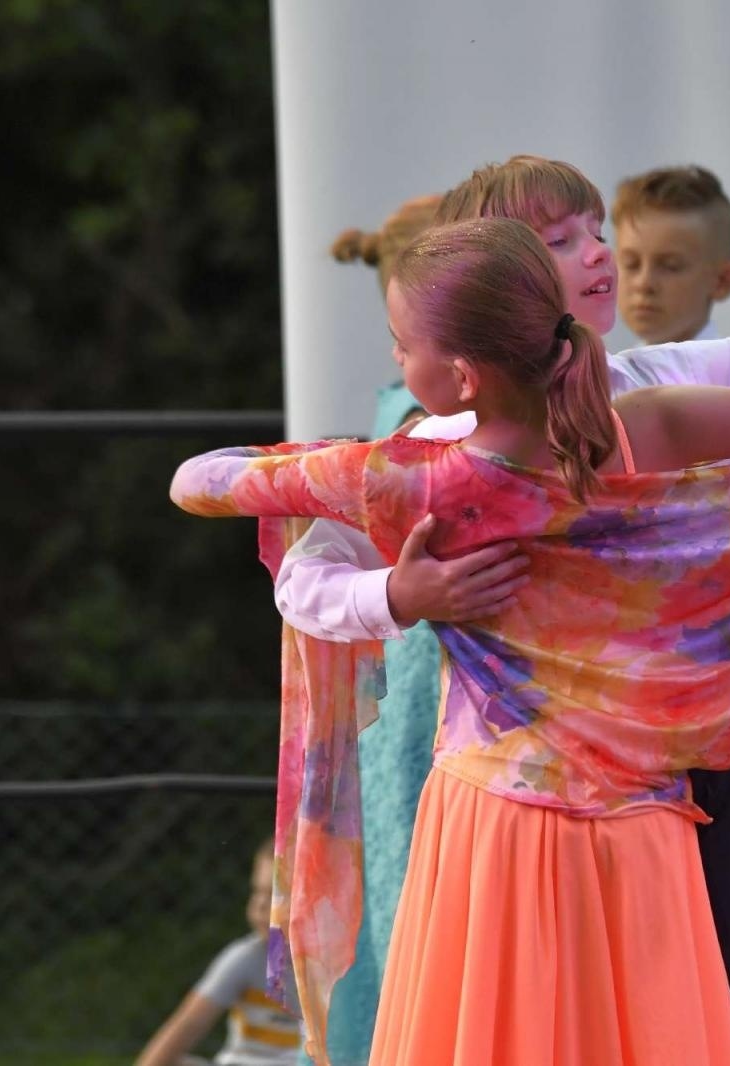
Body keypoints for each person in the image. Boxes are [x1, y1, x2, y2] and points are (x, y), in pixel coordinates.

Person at [171, 134, 730, 1066]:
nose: (598, 254)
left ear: (458, 353)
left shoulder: (422, 472)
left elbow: (204, 482)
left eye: (592, 231)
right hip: (641, 803)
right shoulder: (639, 423)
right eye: (560, 241)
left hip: (512, 812)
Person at [291, 195, 441, 1066]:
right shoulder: (412, 427)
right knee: (408, 897)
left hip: (393, 712)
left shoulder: (396, 414)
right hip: (418, 705)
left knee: (394, 895)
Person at [136, 840, 300, 1066]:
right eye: (257, 891)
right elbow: (184, 1028)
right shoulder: (245, 957)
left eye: (275, 894)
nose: (261, 905)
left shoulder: (336, 970)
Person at [612, 163, 730, 345]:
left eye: (670, 266)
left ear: (723, 280)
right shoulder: (604, 363)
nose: (644, 283)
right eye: (631, 264)